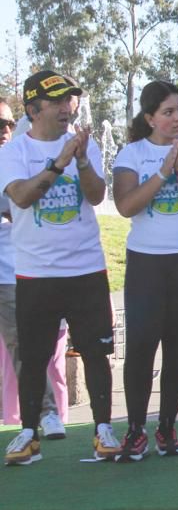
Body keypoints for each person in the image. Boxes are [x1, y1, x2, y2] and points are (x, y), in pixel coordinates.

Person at [1, 71, 119, 465]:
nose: (67, 108)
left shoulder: (84, 146)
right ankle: (29, 434)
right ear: (33, 108)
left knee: (95, 353)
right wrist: (58, 162)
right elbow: (21, 196)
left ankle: (103, 429)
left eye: (70, 100)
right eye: (57, 101)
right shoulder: (13, 153)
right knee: (33, 357)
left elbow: (97, 194)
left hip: (86, 270)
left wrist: (82, 160)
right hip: (36, 273)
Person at [112, 81, 178, 460]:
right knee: (141, 344)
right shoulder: (132, 153)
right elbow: (126, 206)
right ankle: (136, 429)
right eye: (168, 112)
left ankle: (167, 427)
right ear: (150, 119)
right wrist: (161, 173)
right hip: (146, 260)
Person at [0, 98, 67, 439]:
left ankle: (46, 414)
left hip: (9, 272)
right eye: (0, 125)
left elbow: (23, 202)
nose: (6, 131)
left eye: (10, 123)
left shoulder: (17, 158)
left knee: (22, 345)